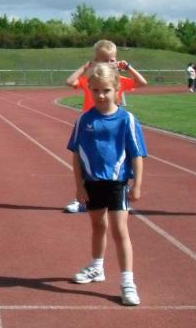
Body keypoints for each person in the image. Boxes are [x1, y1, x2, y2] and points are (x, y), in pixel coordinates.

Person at [68, 64, 147, 306]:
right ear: (89, 90)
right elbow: (76, 154)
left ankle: (127, 282)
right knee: (97, 225)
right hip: (92, 182)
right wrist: (79, 185)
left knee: (120, 230)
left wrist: (137, 185)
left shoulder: (127, 120)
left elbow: (137, 154)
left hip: (117, 183)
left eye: (106, 90)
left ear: (117, 89)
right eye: (96, 90)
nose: (101, 95)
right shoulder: (84, 119)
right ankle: (97, 267)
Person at [63, 40, 147, 212]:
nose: (109, 63)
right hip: (91, 123)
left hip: (112, 123)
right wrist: (85, 67)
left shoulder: (118, 81)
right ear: (96, 61)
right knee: (87, 159)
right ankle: (82, 198)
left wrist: (128, 67)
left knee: (114, 158)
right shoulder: (91, 80)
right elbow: (70, 81)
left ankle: (118, 197)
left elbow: (142, 82)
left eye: (112, 60)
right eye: (104, 60)